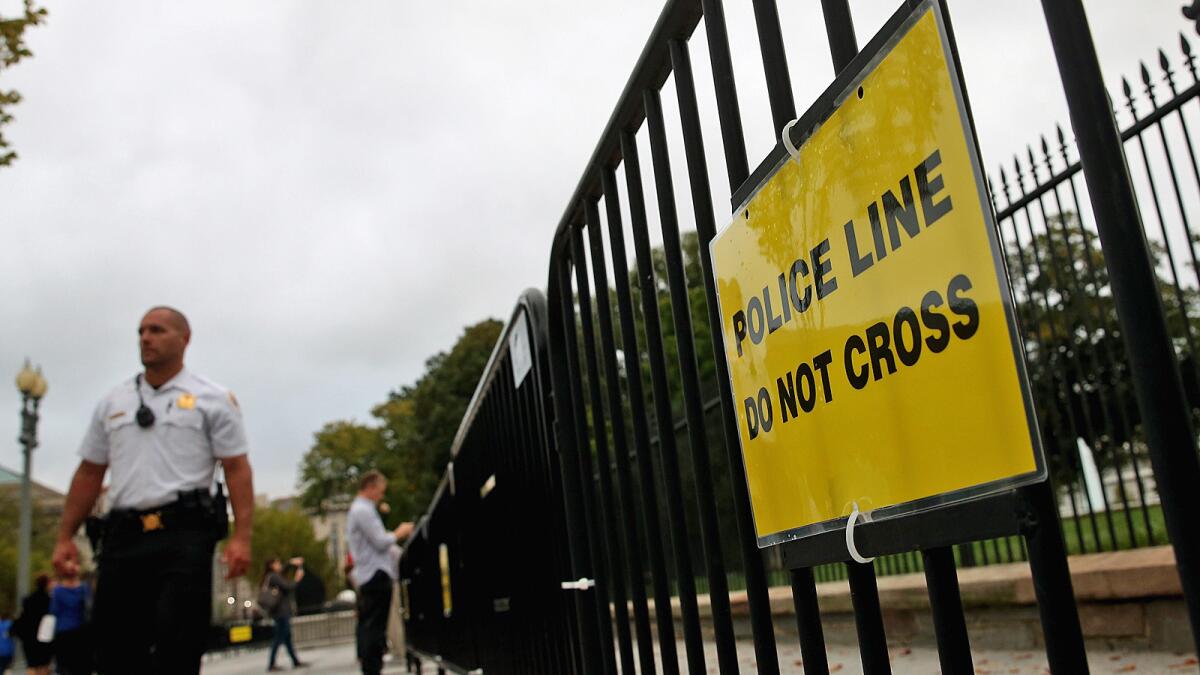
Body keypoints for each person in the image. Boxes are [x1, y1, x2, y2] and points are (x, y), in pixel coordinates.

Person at [51, 306, 255, 675]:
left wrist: (242, 536)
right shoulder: (114, 402)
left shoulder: (212, 399)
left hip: (183, 536)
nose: (146, 338)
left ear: (184, 338)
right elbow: (89, 472)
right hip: (123, 537)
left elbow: (237, 468)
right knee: (114, 650)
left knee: (178, 643)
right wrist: (65, 535)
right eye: (142, 331)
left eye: (157, 330)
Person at [347, 471, 413, 675]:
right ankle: (372, 669)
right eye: (380, 491)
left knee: (371, 626)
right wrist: (400, 532)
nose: (381, 496)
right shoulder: (363, 510)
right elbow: (380, 541)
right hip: (375, 573)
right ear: (371, 487)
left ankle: (371, 668)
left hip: (369, 573)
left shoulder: (360, 510)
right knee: (375, 628)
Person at [261, 557, 308, 672]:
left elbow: (284, 570)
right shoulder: (274, 577)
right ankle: (272, 664)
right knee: (279, 638)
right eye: (277, 563)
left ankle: (295, 661)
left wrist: (291, 563)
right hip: (280, 612)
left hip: (279, 611)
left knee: (286, 638)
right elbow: (288, 586)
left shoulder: (273, 576)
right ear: (272, 565)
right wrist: (297, 579)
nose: (280, 565)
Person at [48, 571, 90, 675]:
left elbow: (53, 611)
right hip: (80, 632)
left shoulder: (58, 591)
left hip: (63, 632)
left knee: (63, 666)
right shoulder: (84, 589)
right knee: (80, 665)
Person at [11, 575, 51, 675]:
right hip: (44, 638)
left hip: (29, 637)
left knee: (31, 665)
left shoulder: (28, 600)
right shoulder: (49, 600)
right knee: (43, 665)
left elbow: (23, 617)